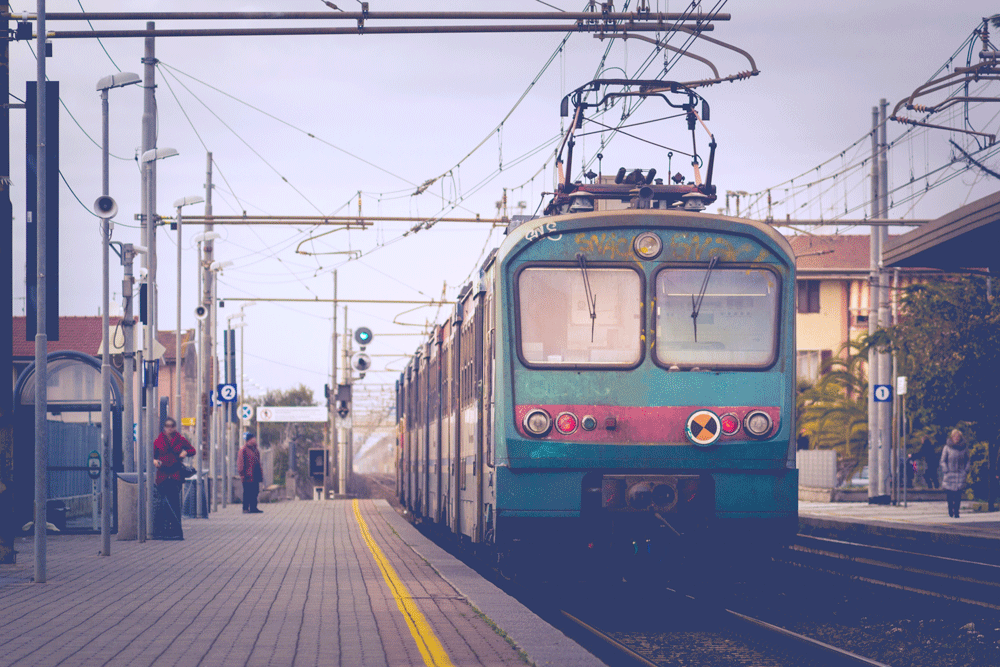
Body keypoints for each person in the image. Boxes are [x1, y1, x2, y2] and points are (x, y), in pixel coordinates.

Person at [153, 418, 196, 538]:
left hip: (175, 475)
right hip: (162, 475)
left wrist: (185, 453)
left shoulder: (180, 439)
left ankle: (176, 531)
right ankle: (165, 530)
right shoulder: (159, 441)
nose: (169, 428)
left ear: (175, 427)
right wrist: (155, 461)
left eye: (172, 426)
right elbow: (153, 455)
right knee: (163, 504)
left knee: (174, 504)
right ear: (164, 428)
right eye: (167, 426)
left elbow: (192, 450)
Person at [939, 429, 971, 518]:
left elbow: (967, 460)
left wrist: (966, 470)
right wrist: (945, 469)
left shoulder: (964, 448)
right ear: (952, 437)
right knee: (950, 495)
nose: (956, 438)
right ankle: (950, 510)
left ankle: (956, 511)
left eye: (958, 437)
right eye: (955, 436)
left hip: (960, 474)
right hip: (950, 474)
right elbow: (943, 460)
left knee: (958, 495)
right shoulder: (947, 448)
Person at [237, 432, 264, 514]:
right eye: (253, 438)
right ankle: (245, 508)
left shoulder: (255, 449)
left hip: (255, 474)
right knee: (247, 492)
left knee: (255, 491)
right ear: (249, 440)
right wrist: (242, 474)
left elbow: (258, 461)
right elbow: (241, 462)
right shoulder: (244, 450)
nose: (255, 440)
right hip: (247, 475)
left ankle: (253, 507)